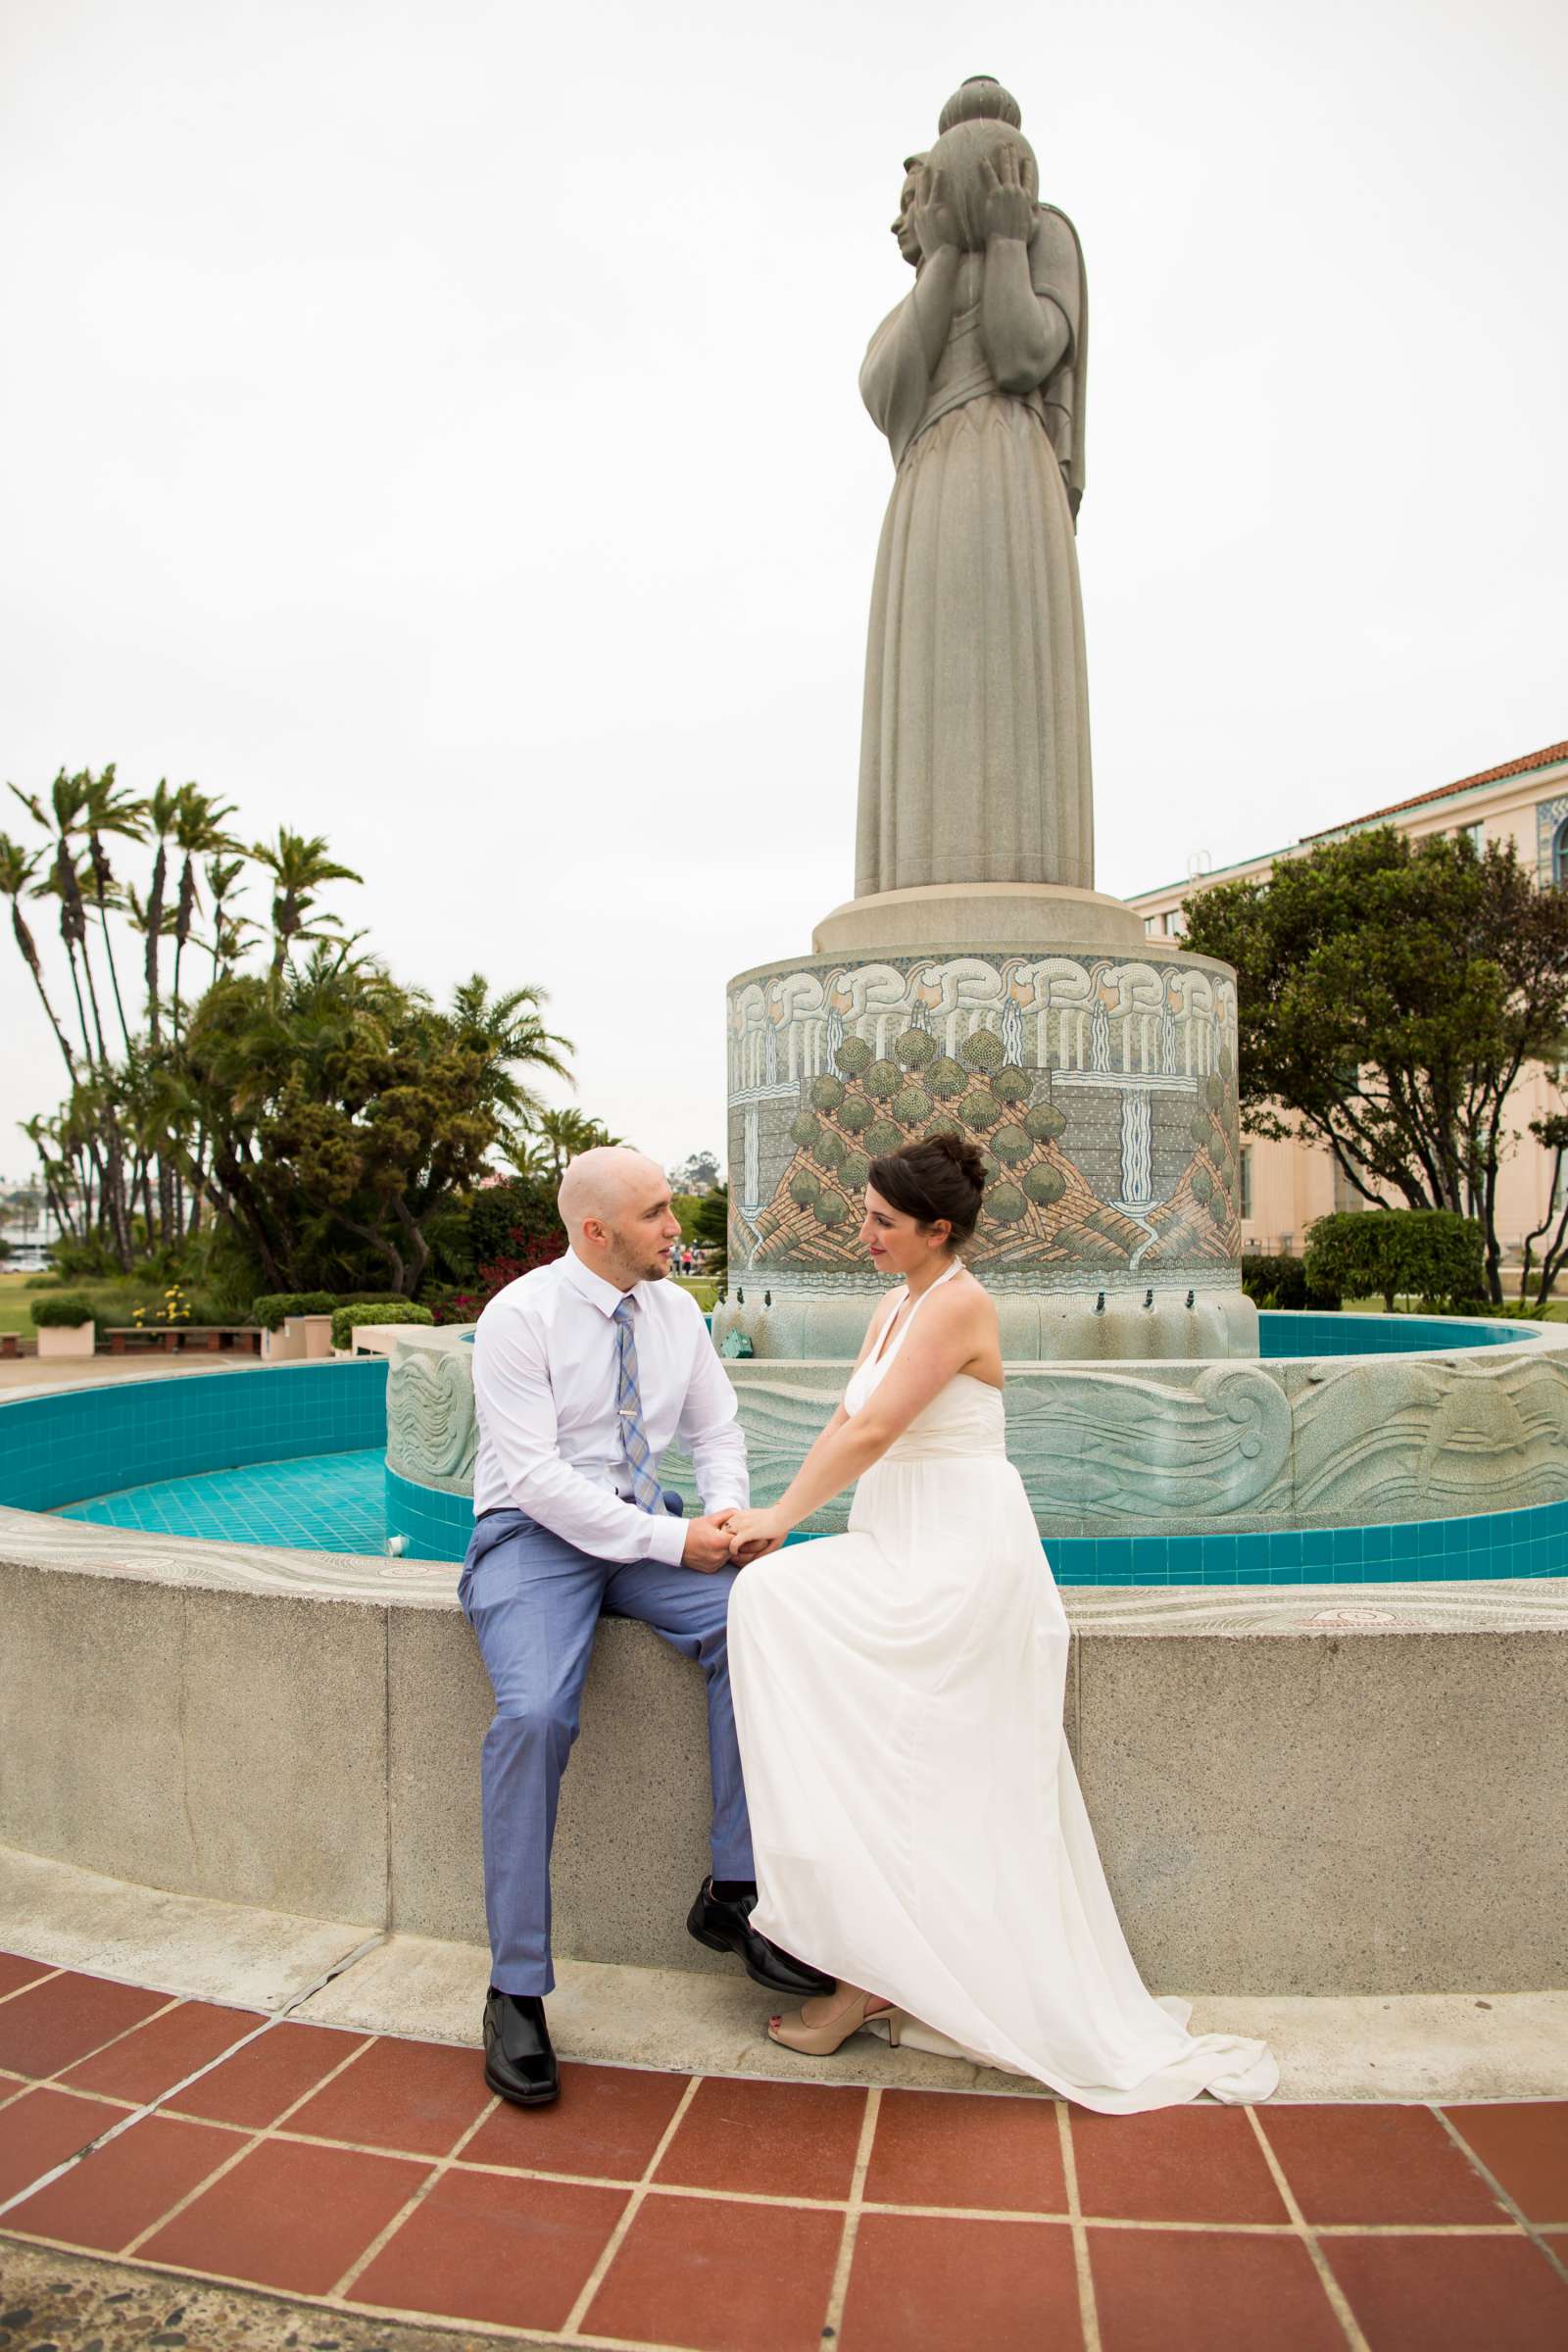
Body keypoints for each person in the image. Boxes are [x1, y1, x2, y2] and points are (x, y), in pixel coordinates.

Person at [722, 1133, 1279, 2112]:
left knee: (780, 1608)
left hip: (956, 1562)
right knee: (791, 1634)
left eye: (883, 1223)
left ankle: (864, 1975)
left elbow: (872, 1430)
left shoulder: (960, 1303)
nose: (864, 1234)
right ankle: (860, 1957)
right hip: (896, 1538)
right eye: (865, 1214)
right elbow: (840, 1422)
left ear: (939, 1230)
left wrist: (780, 1521)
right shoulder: (893, 1305)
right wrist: (766, 1511)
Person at [462, 1146, 831, 2107]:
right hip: (531, 1538)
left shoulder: (678, 1314)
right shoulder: (518, 1320)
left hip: (647, 1529)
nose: (677, 1228)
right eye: (659, 1212)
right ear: (596, 1232)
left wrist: (731, 1520)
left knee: (765, 1620)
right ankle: (515, 1989)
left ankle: (735, 1893)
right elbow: (537, 1481)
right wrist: (672, 1545)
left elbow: (717, 1431)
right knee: (537, 1712)